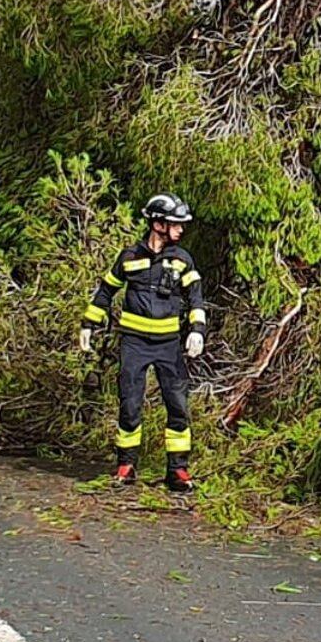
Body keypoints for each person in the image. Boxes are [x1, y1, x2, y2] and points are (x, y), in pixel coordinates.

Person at [79, 193, 208, 492]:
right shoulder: (129, 257)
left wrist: (197, 330)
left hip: (169, 346)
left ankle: (178, 471)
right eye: (175, 224)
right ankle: (126, 466)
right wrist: (88, 323)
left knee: (177, 406)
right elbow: (105, 292)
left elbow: (196, 298)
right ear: (158, 224)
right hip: (134, 344)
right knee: (130, 405)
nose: (181, 230)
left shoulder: (181, 260)